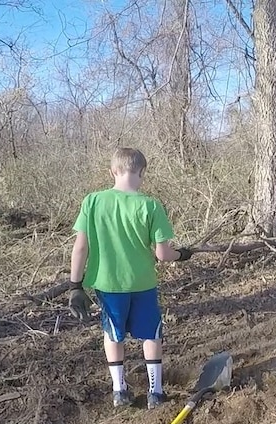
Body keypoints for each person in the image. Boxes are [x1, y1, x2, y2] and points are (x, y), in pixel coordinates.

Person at [68, 148, 194, 409]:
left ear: (113, 171)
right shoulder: (150, 205)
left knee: (113, 334)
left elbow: (80, 247)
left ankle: (119, 390)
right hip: (143, 283)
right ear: (142, 172)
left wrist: (75, 285)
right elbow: (162, 254)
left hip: (108, 284)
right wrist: (182, 254)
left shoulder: (92, 202)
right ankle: (155, 392)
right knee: (151, 334)